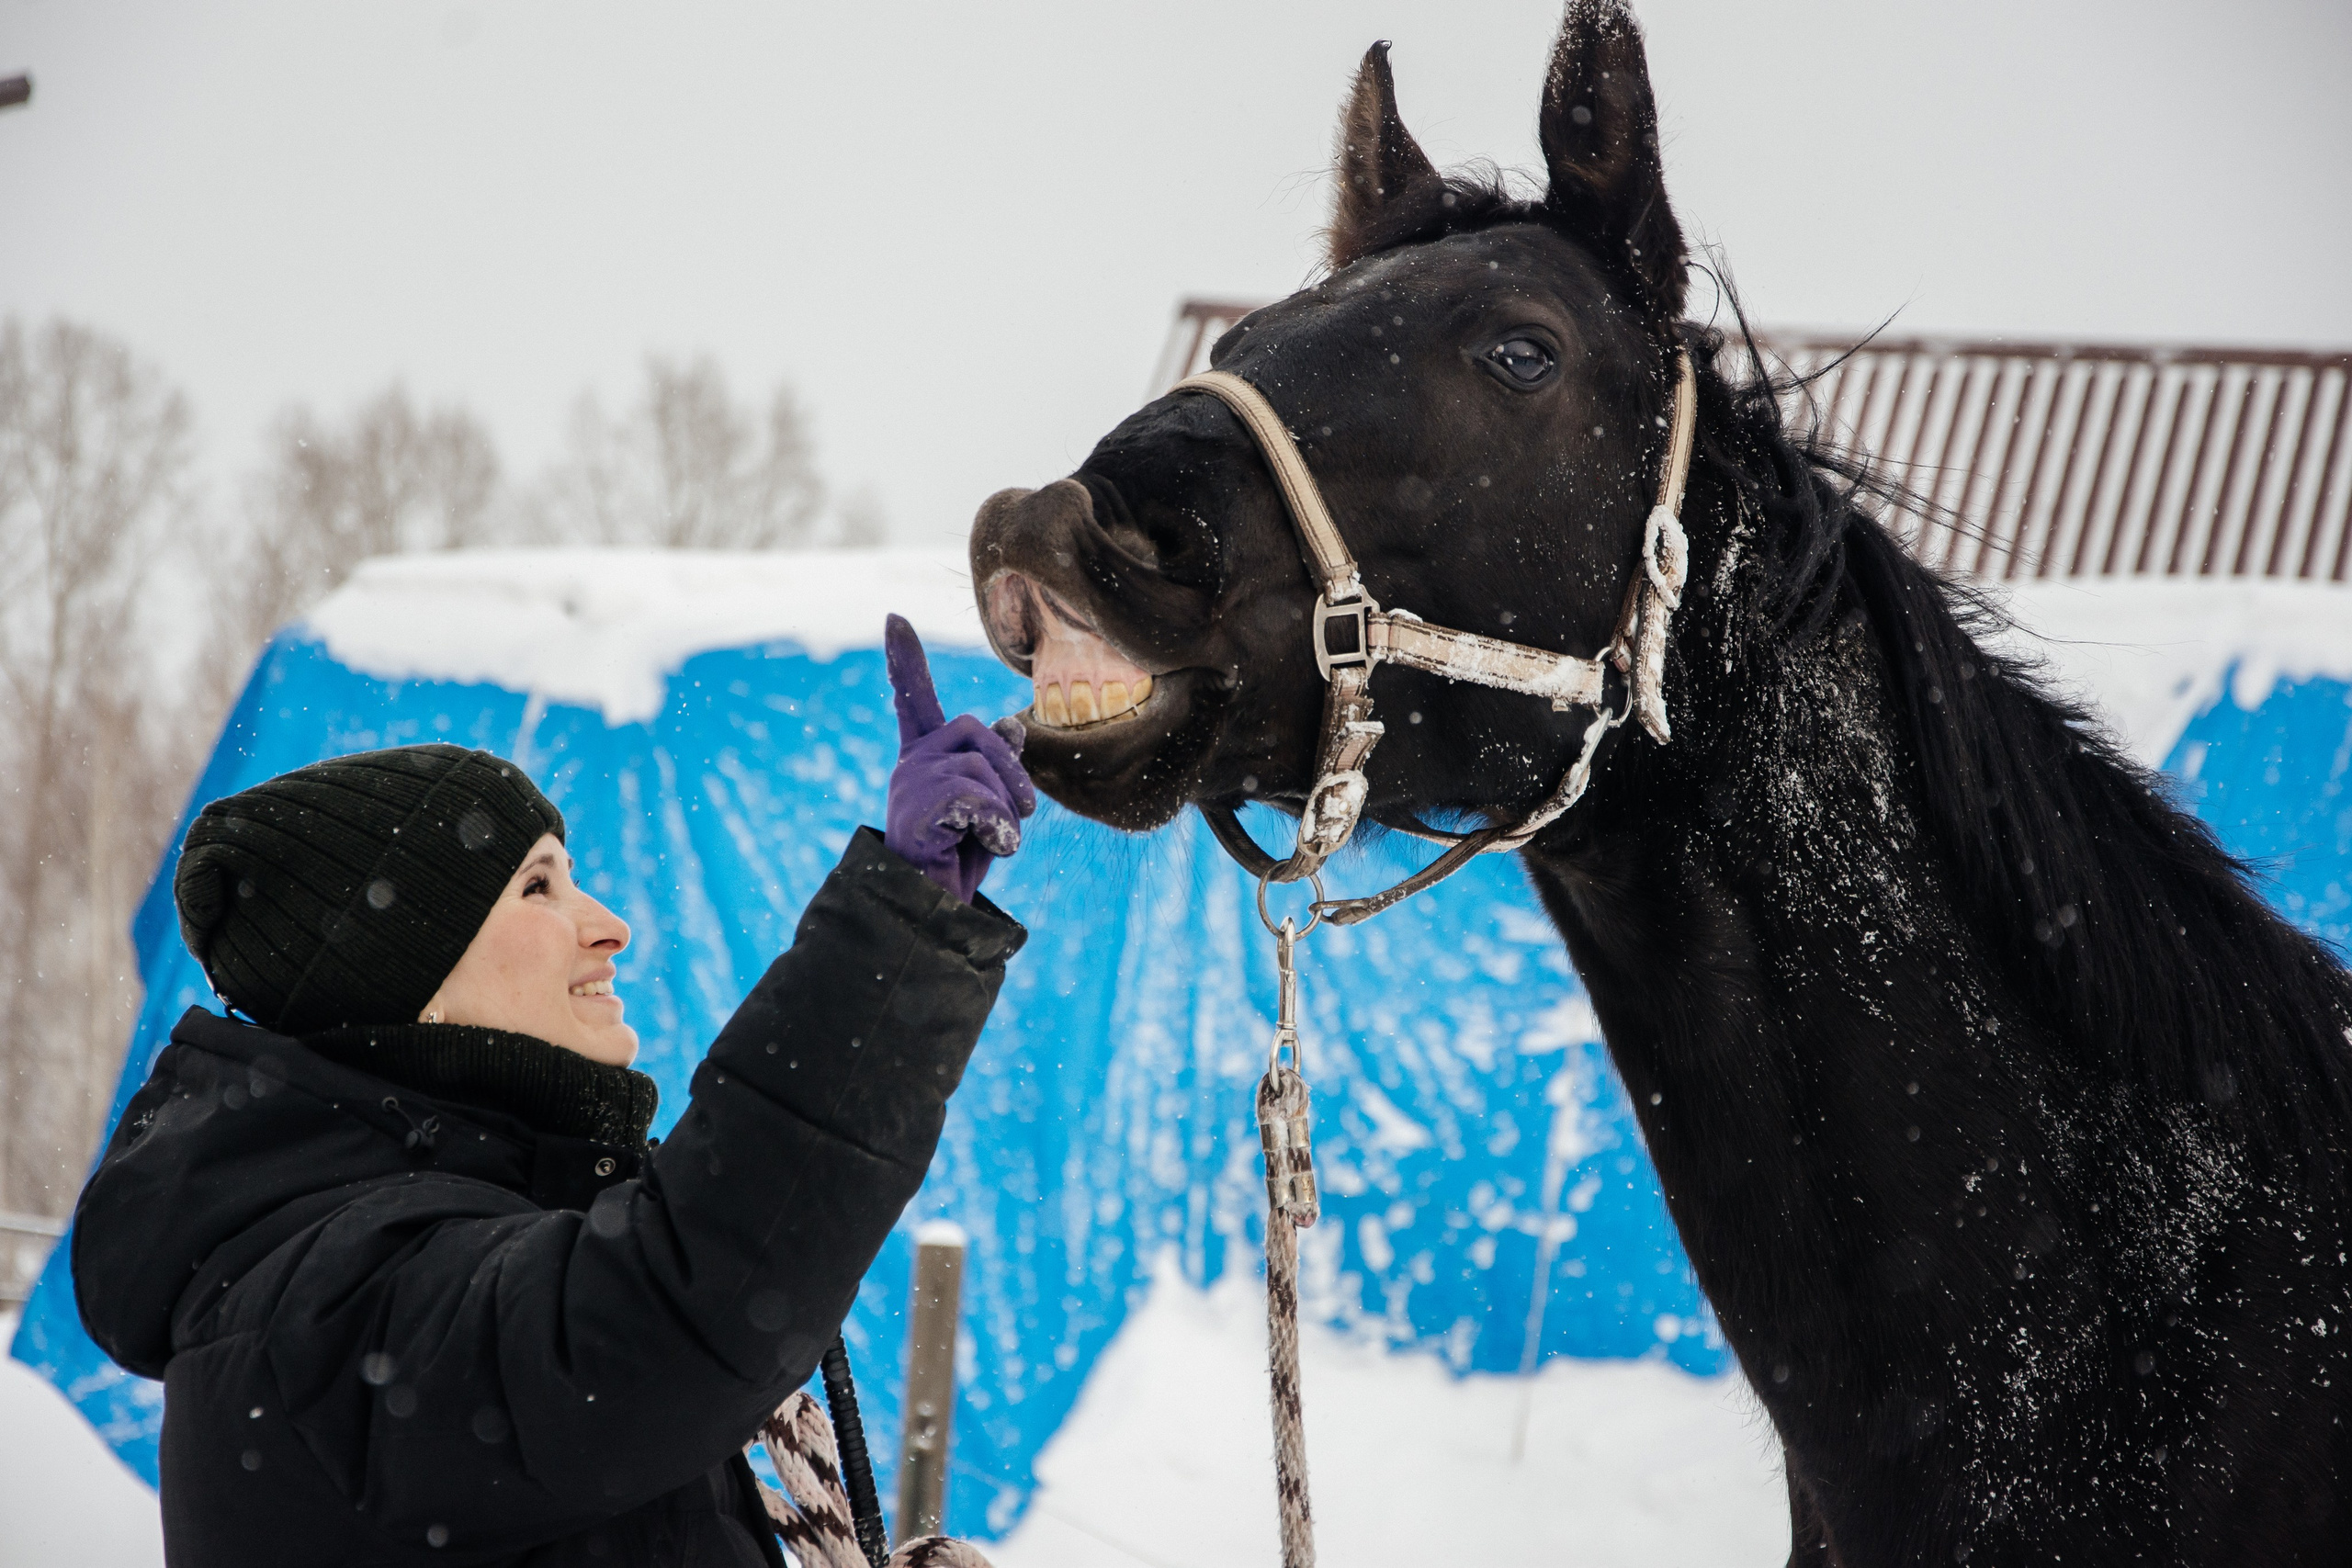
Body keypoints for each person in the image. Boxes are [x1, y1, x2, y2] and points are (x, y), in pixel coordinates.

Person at [71, 618, 1032, 1568]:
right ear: (405, 976)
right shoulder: (326, 1307)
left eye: (575, 880)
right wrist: (897, 925)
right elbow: (675, 1308)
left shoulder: (437, 1237)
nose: (609, 925)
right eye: (538, 888)